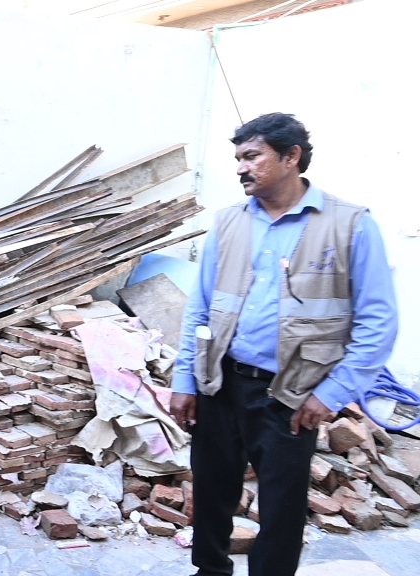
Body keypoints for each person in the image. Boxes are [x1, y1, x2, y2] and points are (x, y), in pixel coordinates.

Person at [170, 113, 398, 576]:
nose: (241, 168)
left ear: (291, 156)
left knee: (281, 507)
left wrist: (331, 394)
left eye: (252, 156)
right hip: (220, 384)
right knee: (212, 492)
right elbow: (200, 309)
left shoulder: (350, 225)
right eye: (238, 158)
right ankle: (209, 570)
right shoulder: (229, 223)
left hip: (290, 396)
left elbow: (379, 323)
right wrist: (184, 380)